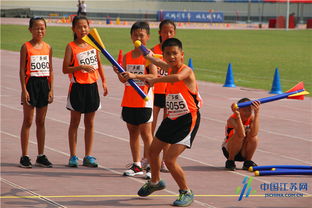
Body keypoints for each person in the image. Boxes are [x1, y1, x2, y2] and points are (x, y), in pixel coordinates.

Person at [137, 38, 202, 207]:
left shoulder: (186, 71)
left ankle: (186, 191)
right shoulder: (167, 66)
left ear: (182, 55)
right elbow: (156, 61)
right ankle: (155, 182)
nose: (172, 56)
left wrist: (154, 80)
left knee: (170, 159)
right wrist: (147, 55)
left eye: (175, 53)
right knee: (152, 151)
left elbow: (176, 78)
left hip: (187, 121)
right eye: (168, 54)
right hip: (172, 117)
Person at [62, 16, 108, 168]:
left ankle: (88, 156)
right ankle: (73, 156)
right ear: (73, 29)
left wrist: (104, 81)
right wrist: (80, 67)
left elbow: (99, 64)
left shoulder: (93, 45)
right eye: (79, 27)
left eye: (85, 27)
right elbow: (65, 69)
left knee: (90, 123)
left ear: (89, 27)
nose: (83, 30)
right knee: (74, 122)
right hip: (77, 88)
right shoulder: (71, 46)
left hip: (92, 87)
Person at [114, 21, 157, 179]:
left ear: (148, 37)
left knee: (146, 135)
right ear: (131, 37)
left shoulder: (149, 56)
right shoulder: (127, 56)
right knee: (132, 133)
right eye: (135, 35)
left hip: (144, 100)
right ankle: (137, 164)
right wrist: (119, 73)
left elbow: (154, 76)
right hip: (129, 100)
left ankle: (152, 166)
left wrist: (135, 76)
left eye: (142, 35)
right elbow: (124, 80)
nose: (138, 37)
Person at [19, 17, 54, 168]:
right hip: (31, 84)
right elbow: (21, 70)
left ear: (45, 30)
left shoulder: (48, 47)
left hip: (44, 84)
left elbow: (51, 69)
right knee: (28, 120)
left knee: (41, 121)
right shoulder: (26, 47)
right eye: (37, 28)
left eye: (42, 28)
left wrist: (51, 89)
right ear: (30, 30)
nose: (40, 31)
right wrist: (24, 90)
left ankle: (40, 155)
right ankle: (25, 156)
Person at [148, 19, 176, 173]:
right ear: (159, 33)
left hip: (171, 94)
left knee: (167, 128)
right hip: (156, 92)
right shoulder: (154, 50)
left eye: (171, 31)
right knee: (150, 126)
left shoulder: (175, 52)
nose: (168, 34)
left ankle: (165, 160)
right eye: (165, 31)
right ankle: (149, 157)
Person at [222, 98, 260, 171]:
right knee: (239, 135)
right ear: (238, 110)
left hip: (243, 150)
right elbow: (241, 134)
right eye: (244, 110)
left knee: (254, 136)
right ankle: (230, 161)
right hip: (229, 150)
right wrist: (238, 116)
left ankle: (247, 162)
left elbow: (254, 133)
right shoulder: (232, 119)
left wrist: (256, 113)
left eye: (249, 110)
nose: (247, 113)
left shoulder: (251, 118)